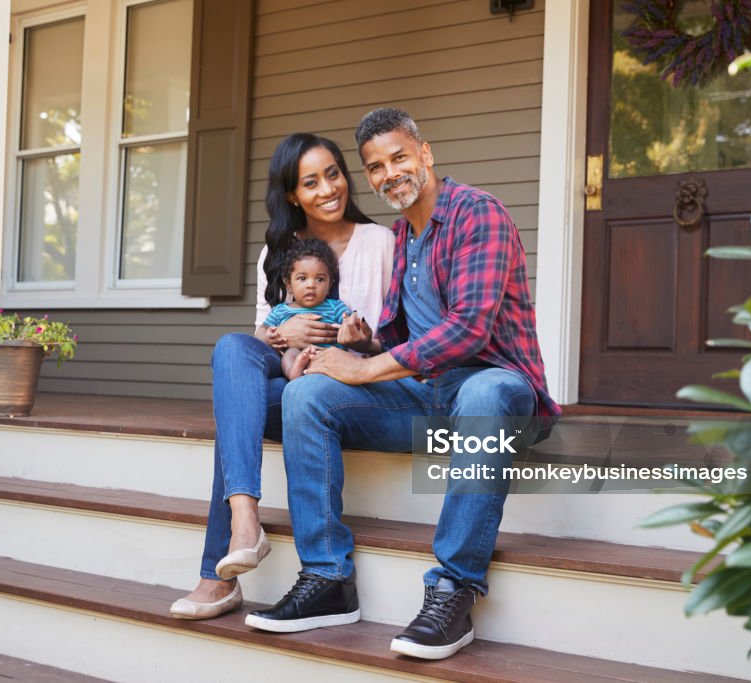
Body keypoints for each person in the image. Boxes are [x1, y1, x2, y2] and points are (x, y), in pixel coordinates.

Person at [245, 108, 561, 660]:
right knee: (308, 390)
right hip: (427, 396)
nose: (389, 173)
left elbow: (466, 331)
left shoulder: (477, 214)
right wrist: (359, 342)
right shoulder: (403, 236)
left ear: (426, 154)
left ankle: (453, 589)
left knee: (487, 391)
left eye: (399, 157)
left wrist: (368, 368)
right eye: (374, 167)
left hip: (495, 392)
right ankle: (326, 578)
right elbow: (398, 337)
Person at [169, 133, 394, 619]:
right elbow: (257, 337)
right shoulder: (276, 252)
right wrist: (283, 330)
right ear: (292, 194)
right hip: (292, 373)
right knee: (233, 349)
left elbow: (396, 337)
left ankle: (216, 578)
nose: (327, 188)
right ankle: (245, 520)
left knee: (236, 417)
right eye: (310, 182)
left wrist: (360, 342)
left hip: (349, 384)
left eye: (333, 174)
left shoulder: (379, 242)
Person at [258, 239, 374, 380]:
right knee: (290, 354)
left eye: (319, 279)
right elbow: (261, 331)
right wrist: (267, 337)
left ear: (330, 285)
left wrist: (350, 327)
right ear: (288, 284)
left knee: (339, 354)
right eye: (302, 278)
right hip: (297, 356)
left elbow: (351, 324)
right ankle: (293, 372)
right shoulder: (281, 310)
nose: (311, 285)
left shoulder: (335, 307)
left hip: (327, 356)